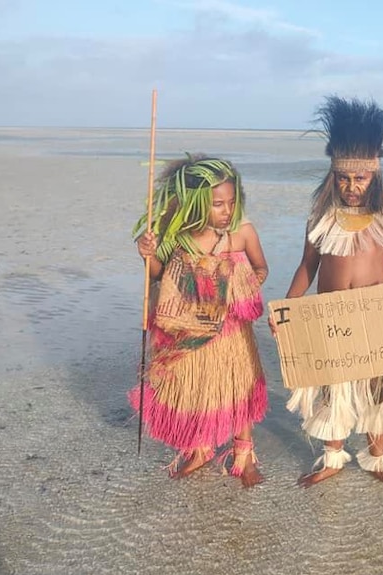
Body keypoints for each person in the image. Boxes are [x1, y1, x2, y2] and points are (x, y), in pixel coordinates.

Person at [277, 96, 383, 490]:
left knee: (378, 391)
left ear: (375, 176)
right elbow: (307, 267)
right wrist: (287, 310)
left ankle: (378, 460)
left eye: (360, 179)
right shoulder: (321, 217)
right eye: (344, 178)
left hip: (377, 319)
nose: (352, 186)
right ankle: (333, 457)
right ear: (332, 176)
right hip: (331, 319)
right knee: (333, 390)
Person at [131, 155, 269, 488]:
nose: (227, 210)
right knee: (196, 389)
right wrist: (146, 254)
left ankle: (243, 454)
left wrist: (240, 283)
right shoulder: (178, 238)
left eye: (232, 202)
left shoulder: (243, 233)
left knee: (238, 388)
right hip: (191, 332)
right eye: (217, 204)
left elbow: (261, 269)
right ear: (194, 204)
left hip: (233, 331)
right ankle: (199, 449)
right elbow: (159, 278)